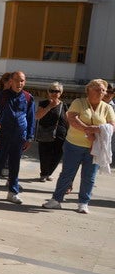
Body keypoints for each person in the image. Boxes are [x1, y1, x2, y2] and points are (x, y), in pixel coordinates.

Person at [43, 79, 115, 214]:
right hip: (74, 145)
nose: (102, 92)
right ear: (89, 90)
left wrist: (94, 129)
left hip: (94, 147)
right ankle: (56, 200)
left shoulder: (107, 107)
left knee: (89, 176)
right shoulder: (78, 102)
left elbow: (111, 126)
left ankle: (83, 203)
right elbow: (72, 119)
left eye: (103, 90)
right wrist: (89, 130)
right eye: (98, 89)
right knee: (67, 174)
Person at [0, 71, 35, 203]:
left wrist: (29, 137)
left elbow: (31, 118)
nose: (19, 83)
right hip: (2, 136)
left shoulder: (28, 97)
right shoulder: (1, 96)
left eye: (22, 81)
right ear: (11, 81)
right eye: (17, 80)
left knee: (15, 165)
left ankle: (12, 192)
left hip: (19, 137)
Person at [35, 82, 67, 182]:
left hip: (60, 134)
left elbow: (66, 120)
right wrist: (49, 107)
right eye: (52, 91)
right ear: (48, 92)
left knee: (58, 155)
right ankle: (43, 174)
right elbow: (37, 116)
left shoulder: (63, 105)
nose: (54, 93)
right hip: (45, 132)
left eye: (56, 91)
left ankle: (49, 173)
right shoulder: (43, 103)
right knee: (45, 154)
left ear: (60, 93)